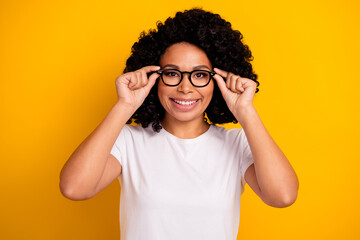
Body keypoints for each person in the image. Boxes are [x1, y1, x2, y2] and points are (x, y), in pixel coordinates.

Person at [59, 8, 299, 240]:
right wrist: (124, 105)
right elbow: (74, 189)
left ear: (218, 81)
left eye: (200, 74)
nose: (185, 88)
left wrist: (245, 111)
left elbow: (283, 196)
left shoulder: (236, 144)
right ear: (155, 78)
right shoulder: (128, 140)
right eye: (172, 73)